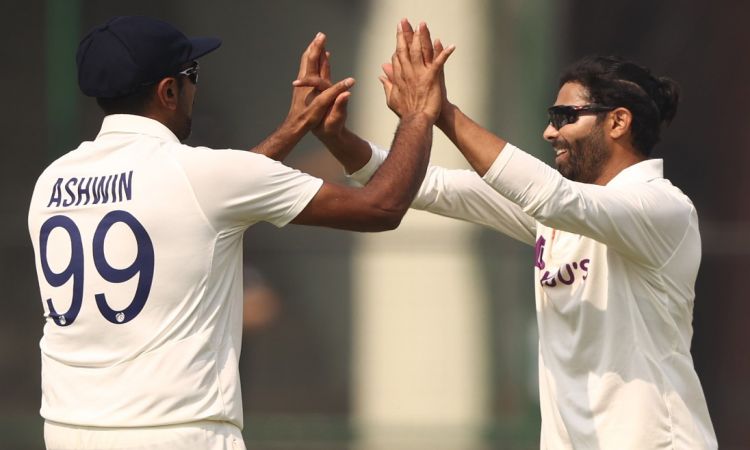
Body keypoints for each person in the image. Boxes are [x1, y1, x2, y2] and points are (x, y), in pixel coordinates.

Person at [27, 16, 453, 450]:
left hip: (67, 431)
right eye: (192, 76)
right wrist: (418, 114)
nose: (196, 90)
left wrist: (292, 128)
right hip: (177, 433)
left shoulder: (52, 182)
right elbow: (382, 206)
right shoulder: (196, 176)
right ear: (168, 91)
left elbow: (204, 201)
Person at [305, 18, 718, 450]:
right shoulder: (562, 211)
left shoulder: (660, 207)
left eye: (565, 116)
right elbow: (436, 187)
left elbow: (553, 198)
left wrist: (442, 113)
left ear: (617, 122)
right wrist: (337, 138)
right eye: (550, 117)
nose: (549, 132)